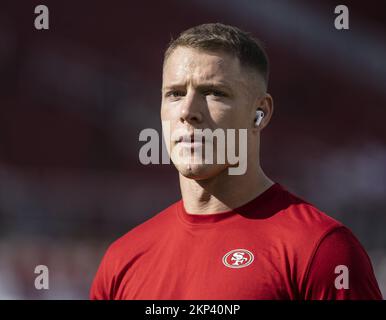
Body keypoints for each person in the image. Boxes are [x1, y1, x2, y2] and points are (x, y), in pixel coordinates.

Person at [90, 23, 382, 300]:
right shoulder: (122, 260)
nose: (188, 111)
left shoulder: (321, 250)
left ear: (261, 112)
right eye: (175, 94)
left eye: (214, 93)